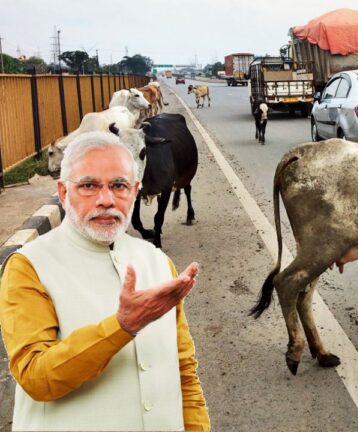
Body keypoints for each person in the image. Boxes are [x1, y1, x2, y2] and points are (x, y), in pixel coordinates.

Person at [0, 132, 210, 431]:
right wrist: (121, 327)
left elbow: (184, 370)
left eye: (119, 185)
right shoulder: (30, 266)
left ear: (135, 191)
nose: (106, 200)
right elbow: (36, 376)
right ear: (63, 192)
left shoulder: (156, 261)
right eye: (89, 185)